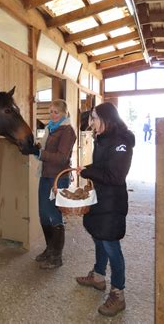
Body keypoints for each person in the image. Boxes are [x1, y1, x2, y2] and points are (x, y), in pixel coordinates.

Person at [75, 102, 135, 317]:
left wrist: (89, 173)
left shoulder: (121, 142)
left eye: (94, 118)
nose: (91, 123)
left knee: (111, 245)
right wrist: (88, 169)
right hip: (99, 198)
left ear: (106, 119)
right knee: (98, 237)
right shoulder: (103, 139)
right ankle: (98, 276)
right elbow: (103, 167)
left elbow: (116, 176)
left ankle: (118, 293)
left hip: (112, 202)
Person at [22, 99, 76, 269]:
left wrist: (39, 152)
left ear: (64, 113)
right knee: (43, 214)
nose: (52, 115)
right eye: (50, 112)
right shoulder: (50, 129)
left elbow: (61, 158)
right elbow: (46, 152)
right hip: (45, 175)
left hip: (58, 178)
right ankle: (49, 249)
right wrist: (35, 148)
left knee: (54, 215)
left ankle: (57, 256)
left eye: (56, 112)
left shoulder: (67, 131)